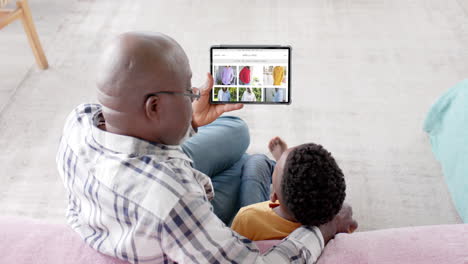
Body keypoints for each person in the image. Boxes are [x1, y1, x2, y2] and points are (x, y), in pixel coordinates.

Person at [56, 32, 357, 264]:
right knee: (250, 164)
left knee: (238, 132)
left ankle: (256, 170)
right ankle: (257, 176)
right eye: (189, 91)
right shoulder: (173, 196)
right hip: (162, 209)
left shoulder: (80, 120)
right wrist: (323, 229)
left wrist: (193, 122)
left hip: (128, 193)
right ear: (154, 107)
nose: (196, 95)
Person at [232, 137, 358, 241]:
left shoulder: (247, 218)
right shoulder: (337, 226)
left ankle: (284, 170)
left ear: (274, 195)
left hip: (259, 223)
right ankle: (286, 172)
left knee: (255, 162)